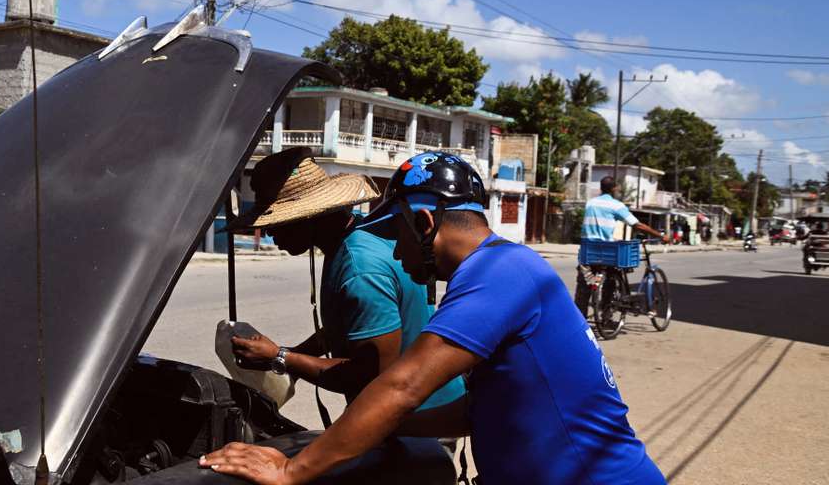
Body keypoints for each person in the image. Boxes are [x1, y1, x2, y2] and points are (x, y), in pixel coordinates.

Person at [200, 152, 665, 485]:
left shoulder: (500, 273)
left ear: (424, 224)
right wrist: (372, 431)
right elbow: (477, 410)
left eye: (394, 235)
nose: (397, 255)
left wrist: (291, 468)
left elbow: (401, 387)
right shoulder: (503, 270)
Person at [228, 147, 465, 409]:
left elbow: (370, 377)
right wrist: (289, 354)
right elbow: (349, 327)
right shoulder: (355, 233)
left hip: (418, 419)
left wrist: (282, 357)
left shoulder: (359, 269)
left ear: (308, 217)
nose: (271, 234)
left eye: (277, 223)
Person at [576, 175, 667, 317]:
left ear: (601, 188)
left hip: (588, 249)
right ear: (614, 189)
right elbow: (637, 224)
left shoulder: (591, 203)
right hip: (606, 250)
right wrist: (660, 236)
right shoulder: (616, 205)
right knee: (612, 277)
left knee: (584, 284)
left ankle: (579, 320)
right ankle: (606, 315)